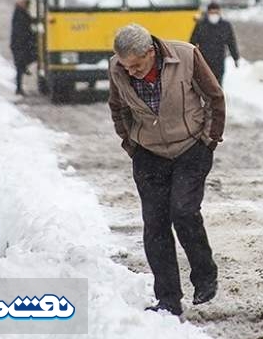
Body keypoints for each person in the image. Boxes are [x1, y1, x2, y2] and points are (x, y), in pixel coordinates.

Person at [107, 24, 226, 316]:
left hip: (190, 148)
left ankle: (204, 275)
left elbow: (214, 97)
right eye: (126, 67)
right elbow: (117, 107)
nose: (131, 71)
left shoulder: (186, 56)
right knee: (155, 225)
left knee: (183, 211)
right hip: (148, 153)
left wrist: (209, 140)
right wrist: (130, 142)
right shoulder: (117, 68)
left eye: (137, 65)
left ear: (151, 52)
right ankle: (168, 299)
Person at [189, 2, 240, 86]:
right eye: (212, 13)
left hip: (219, 60)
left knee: (217, 84)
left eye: (216, 13)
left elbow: (231, 42)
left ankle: (217, 98)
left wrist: (235, 58)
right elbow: (192, 42)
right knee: (205, 84)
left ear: (219, 13)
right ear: (208, 13)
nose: (214, 15)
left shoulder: (225, 26)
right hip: (204, 60)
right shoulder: (201, 25)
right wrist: (191, 57)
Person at [10, 0, 36, 95]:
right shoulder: (21, 14)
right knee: (20, 67)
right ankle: (18, 88)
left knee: (20, 66)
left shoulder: (19, 13)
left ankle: (19, 87)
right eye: (28, 5)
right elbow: (25, 28)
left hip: (19, 44)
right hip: (20, 45)